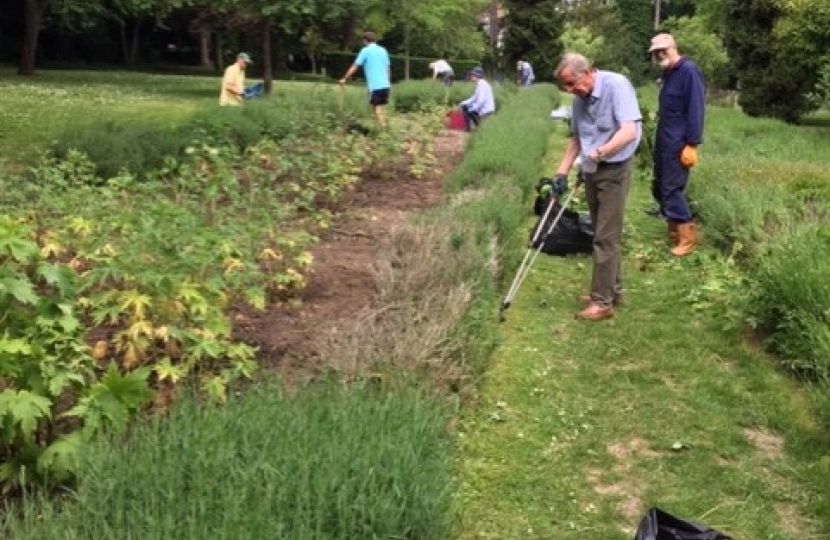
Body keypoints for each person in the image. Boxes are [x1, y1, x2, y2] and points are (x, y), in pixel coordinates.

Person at [553, 53, 642, 321]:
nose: (570, 91)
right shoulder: (580, 100)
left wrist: (600, 153)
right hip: (592, 168)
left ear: (588, 72)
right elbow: (577, 139)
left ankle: (602, 303)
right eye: (565, 87)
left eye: (572, 83)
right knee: (601, 231)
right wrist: (561, 171)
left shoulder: (616, 86)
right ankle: (612, 290)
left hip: (614, 167)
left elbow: (629, 132)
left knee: (605, 235)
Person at [649, 33, 706, 257]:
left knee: (672, 189)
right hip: (665, 139)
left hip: (680, 142)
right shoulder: (669, 73)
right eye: (655, 52)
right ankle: (673, 233)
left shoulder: (689, 71)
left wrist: (692, 143)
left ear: (674, 47)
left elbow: (696, 110)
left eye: (663, 49)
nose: (659, 54)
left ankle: (687, 239)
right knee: (662, 185)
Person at [339, 31, 391, 128]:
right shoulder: (383, 50)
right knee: (379, 108)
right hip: (385, 84)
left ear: (365, 41)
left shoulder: (365, 51)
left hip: (375, 86)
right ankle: (382, 128)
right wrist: (388, 82)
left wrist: (345, 78)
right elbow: (387, 68)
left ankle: (384, 131)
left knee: (377, 109)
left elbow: (355, 66)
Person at [459, 67, 495, 132]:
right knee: (465, 106)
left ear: (477, 76)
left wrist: (472, 109)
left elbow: (481, 101)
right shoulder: (479, 83)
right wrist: (463, 103)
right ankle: (471, 127)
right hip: (483, 110)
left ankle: (474, 127)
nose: (471, 76)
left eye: (472, 75)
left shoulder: (482, 84)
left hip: (486, 112)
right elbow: (474, 97)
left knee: (468, 109)